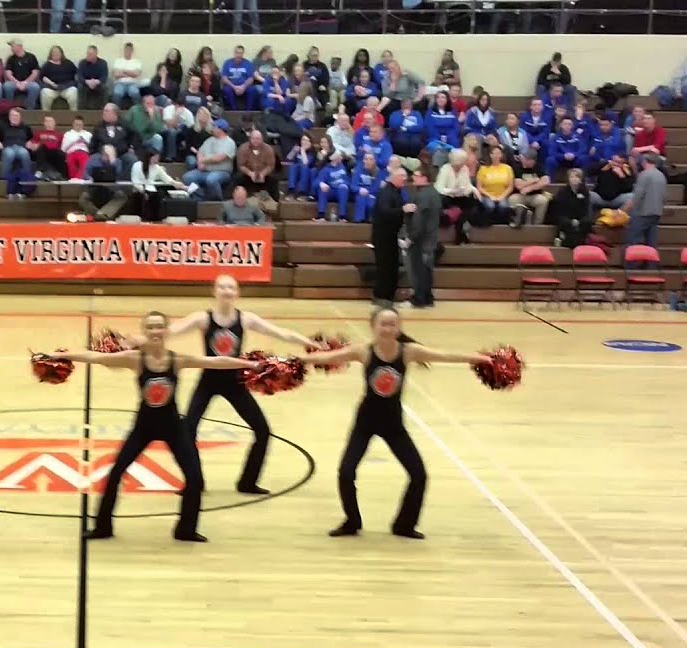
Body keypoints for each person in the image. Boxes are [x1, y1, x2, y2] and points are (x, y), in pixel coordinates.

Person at [44, 311, 266, 542]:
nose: (155, 331)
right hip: (144, 427)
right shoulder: (134, 359)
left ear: (166, 331)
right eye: (150, 327)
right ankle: (103, 527)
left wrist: (249, 364)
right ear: (145, 332)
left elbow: (215, 361)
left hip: (173, 428)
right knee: (116, 473)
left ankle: (185, 530)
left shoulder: (177, 360)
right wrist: (58, 355)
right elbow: (96, 357)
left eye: (159, 326)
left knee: (193, 479)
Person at [297, 308, 491, 540]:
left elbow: (444, 355)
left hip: (393, 424)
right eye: (383, 324)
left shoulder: (409, 352)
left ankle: (404, 525)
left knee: (419, 475)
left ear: (399, 327)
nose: (388, 329)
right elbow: (327, 358)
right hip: (366, 421)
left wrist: (478, 359)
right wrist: (294, 360)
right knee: (346, 472)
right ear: (373, 327)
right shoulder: (364, 351)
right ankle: (352, 522)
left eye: (392, 324)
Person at [128, 277, 317, 495]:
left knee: (263, 431)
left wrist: (308, 342)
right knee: (188, 431)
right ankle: (195, 483)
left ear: (237, 293)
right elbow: (170, 332)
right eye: (222, 287)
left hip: (235, 382)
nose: (226, 291)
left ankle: (247, 482)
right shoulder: (203, 318)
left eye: (231, 287)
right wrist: (135, 340)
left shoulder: (246, 319)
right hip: (208, 380)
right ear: (214, 291)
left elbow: (280, 332)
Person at [371, 167, 412, 307]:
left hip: (392, 235)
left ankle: (388, 295)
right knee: (384, 266)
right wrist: (402, 210)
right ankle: (380, 296)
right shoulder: (385, 192)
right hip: (383, 235)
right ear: (393, 177)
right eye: (401, 176)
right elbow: (384, 212)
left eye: (405, 176)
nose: (404, 179)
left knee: (392, 266)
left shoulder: (397, 192)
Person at [406, 169, 442, 309]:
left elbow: (419, 219)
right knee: (427, 269)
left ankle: (419, 299)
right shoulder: (434, 193)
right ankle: (428, 297)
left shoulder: (423, 196)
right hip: (431, 236)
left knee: (419, 269)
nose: (413, 178)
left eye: (416, 175)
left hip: (421, 238)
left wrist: (411, 237)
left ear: (424, 178)